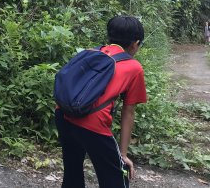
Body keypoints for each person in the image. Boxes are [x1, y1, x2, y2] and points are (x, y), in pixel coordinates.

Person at [55, 15, 147, 188]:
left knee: (72, 171)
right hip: (92, 123)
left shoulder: (90, 52)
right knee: (116, 179)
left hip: (62, 113)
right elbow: (128, 111)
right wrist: (123, 154)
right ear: (135, 44)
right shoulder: (134, 67)